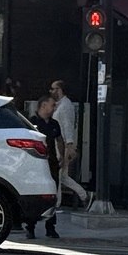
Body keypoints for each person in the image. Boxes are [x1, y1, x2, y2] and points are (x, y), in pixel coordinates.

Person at [50, 79, 92, 210]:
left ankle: (57, 204)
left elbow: (67, 126)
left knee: (58, 174)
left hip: (62, 145)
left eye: (54, 88)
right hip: (61, 144)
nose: (51, 91)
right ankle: (84, 195)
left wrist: (69, 146)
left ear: (60, 90)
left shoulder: (65, 106)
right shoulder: (61, 105)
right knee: (61, 176)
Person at [26, 95, 62, 239]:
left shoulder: (54, 123)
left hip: (51, 163)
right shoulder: (32, 122)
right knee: (34, 194)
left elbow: (59, 140)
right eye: (52, 105)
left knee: (52, 195)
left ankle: (50, 227)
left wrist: (61, 157)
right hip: (36, 163)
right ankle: (30, 227)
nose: (54, 108)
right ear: (44, 105)